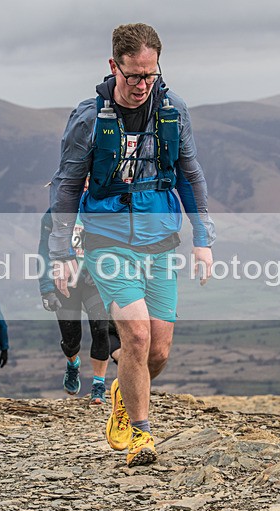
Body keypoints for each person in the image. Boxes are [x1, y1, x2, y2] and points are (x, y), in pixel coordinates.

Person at [48, 23, 215, 466]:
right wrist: (61, 253)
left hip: (161, 242)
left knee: (156, 351)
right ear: (113, 66)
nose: (142, 85)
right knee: (136, 335)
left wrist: (203, 238)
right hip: (107, 241)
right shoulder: (88, 118)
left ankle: (125, 386)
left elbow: (189, 174)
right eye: (133, 75)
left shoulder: (173, 110)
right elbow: (66, 187)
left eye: (151, 75)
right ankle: (141, 435)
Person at [38, 207, 112, 404]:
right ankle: (73, 363)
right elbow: (44, 251)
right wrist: (46, 289)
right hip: (64, 280)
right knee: (71, 339)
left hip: (93, 281)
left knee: (100, 329)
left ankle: (98, 384)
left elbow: (112, 244)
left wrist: (100, 271)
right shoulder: (54, 212)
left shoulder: (101, 205)